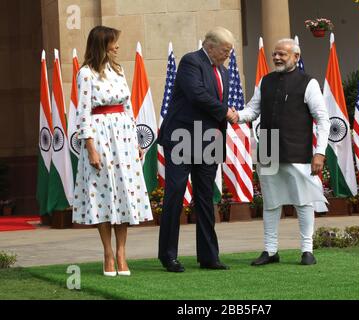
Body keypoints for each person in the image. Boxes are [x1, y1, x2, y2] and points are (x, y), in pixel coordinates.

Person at [232, 38, 330, 266]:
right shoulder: (265, 81)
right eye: (275, 54)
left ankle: (307, 250)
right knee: (271, 202)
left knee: (303, 201)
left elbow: (323, 120)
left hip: (297, 150)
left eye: (282, 54)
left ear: (296, 57)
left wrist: (320, 152)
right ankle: (270, 250)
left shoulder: (309, 83)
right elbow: (252, 110)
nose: (276, 58)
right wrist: (235, 115)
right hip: (268, 150)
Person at [72, 26, 152, 276]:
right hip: (101, 136)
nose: (117, 46)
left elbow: (128, 108)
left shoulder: (119, 70)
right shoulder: (85, 74)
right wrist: (91, 148)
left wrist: (137, 141)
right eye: (114, 42)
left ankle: (122, 253)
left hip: (124, 137)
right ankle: (107, 253)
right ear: (102, 44)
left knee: (126, 193)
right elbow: (82, 113)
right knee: (104, 195)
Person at [157, 27, 238, 272]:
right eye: (225, 51)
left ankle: (209, 256)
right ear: (210, 46)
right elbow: (197, 95)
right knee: (175, 196)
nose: (228, 55)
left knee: (205, 198)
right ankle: (168, 255)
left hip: (208, 142)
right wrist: (225, 112)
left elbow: (215, 102)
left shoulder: (223, 71)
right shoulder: (191, 61)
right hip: (182, 139)